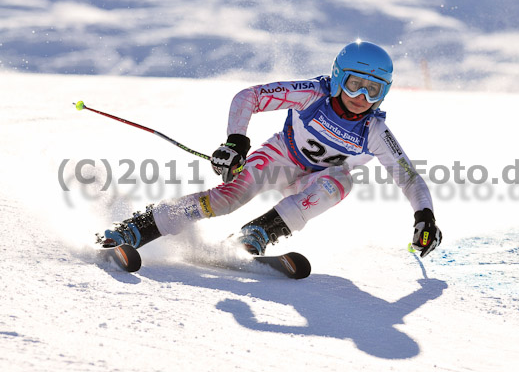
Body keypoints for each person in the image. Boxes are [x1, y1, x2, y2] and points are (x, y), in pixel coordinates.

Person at [101, 40, 442, 258]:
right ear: (338, 77)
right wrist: (236, 141)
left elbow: (409, 178)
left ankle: (261, 231)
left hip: (313, 181)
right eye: (355, 85)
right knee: (226, 198)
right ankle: (143, 225)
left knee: (341, 182)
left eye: (374, 90)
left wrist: (424, 216)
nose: (361, 98)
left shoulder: (374, 130)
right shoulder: (313, 93)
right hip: (280, 156)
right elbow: (248, 97)